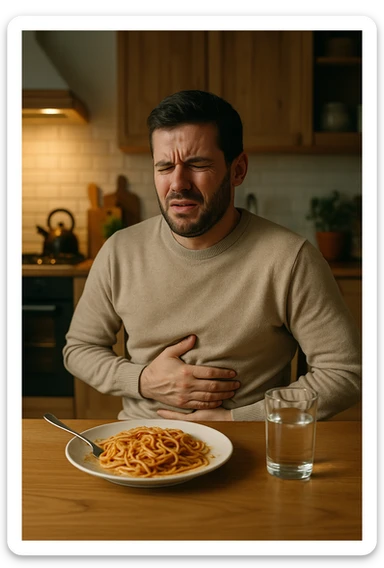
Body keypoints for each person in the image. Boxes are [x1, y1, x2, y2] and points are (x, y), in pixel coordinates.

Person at [63, 89, 361, 422]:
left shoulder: (290, 259)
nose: (178, 184)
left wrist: (241, 420)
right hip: (140, 452)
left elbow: (345, 374)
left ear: (238, 169)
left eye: (197, 164)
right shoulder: (120, 250)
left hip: (246, 450)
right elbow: (79, 350)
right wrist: (143, 380)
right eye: (164, 167)